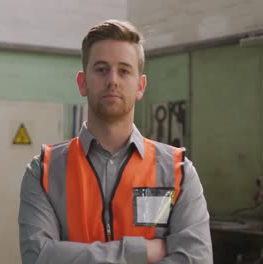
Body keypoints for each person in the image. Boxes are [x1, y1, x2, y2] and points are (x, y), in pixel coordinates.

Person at [19, 19, 213, 263]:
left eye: (124, 70)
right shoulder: (44, 171)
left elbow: (196, 259)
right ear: (82, 83)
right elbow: (39, 257)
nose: (113, 80)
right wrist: (141, 251)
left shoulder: (178, 172)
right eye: (101, 69)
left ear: (140, 86)